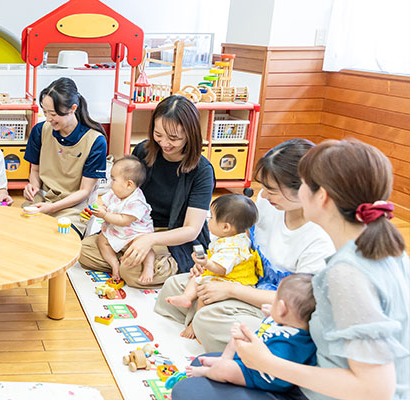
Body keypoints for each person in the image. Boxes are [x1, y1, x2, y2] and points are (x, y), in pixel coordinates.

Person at [174, 139, 409, 400]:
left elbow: (375, 390)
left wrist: (268, 363)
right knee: (205, 367)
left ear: (322, 196)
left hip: (321, 390)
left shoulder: (347, 274)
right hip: (312, 368)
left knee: (189, 390)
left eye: (303, 183)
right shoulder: (385, 248)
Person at [154, 139, 335, 352]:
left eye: (272, 190)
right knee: (175, 285)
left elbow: (298, 304)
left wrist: (232, 290)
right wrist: (212, 266)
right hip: (248, 282)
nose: (263, 195)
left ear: (305, 189)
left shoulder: (320, 239)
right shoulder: (269, 204)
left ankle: (217, 326)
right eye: (264, 187)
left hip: (277, 307)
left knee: (208, 318)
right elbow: (241, 244)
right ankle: (207, 321)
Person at [80, 95, 212, 285]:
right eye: (158, 135)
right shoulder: (143, 151)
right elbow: (125, 193)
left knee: (133, 272)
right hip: (134, 225)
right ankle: (128, 261)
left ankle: (142, 263)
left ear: (190, 134)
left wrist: (149, 240)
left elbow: (191, 230)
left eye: (173, 138)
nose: (164, 143)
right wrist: (106, 211)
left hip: (169, 235)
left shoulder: (202, 171)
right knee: (82, 250)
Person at [186, 273, 317, 393]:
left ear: (282, 309)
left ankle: (206, 372)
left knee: (225, 369)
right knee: (237, 335)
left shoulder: (290, 345)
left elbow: (273, 369)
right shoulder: (290, 322)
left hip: (258, 375)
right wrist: (272, 314)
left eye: (275, 299)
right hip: (256, 357)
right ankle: (224, 358)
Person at [165, 194, 260, 340]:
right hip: (223, 273)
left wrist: (206, 263)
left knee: (204, 294)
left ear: (226, 227)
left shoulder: (233, 246)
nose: (207, 220)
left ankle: (195, 324)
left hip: (235, 279)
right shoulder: (229, 237)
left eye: (211, 218)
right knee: (196, 276)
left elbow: (221, 268)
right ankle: (186, 297)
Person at [23, 77, 108, 237]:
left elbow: (84, 191)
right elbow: (35, 171)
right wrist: (32, 186)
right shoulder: (40, 131)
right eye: (45, 112)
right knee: (22, 234)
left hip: (74, 206)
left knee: (59, 240)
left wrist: (52, 208)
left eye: (53, 114)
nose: (48, 118)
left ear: (73, 108)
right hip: (43, 198)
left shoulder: (95, 141)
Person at [86, 155, 155, 285]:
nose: (110, 182)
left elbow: (124, 220)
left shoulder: (137, 201)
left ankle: (149, 266)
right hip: (116, 230)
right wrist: (100, 208)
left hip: (134, 233)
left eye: (113, 179)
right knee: (102, 239)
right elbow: (104, 203)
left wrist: (104, 215)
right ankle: (114, 264)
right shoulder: (115, 193)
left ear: (129, 184)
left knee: (144, 247)